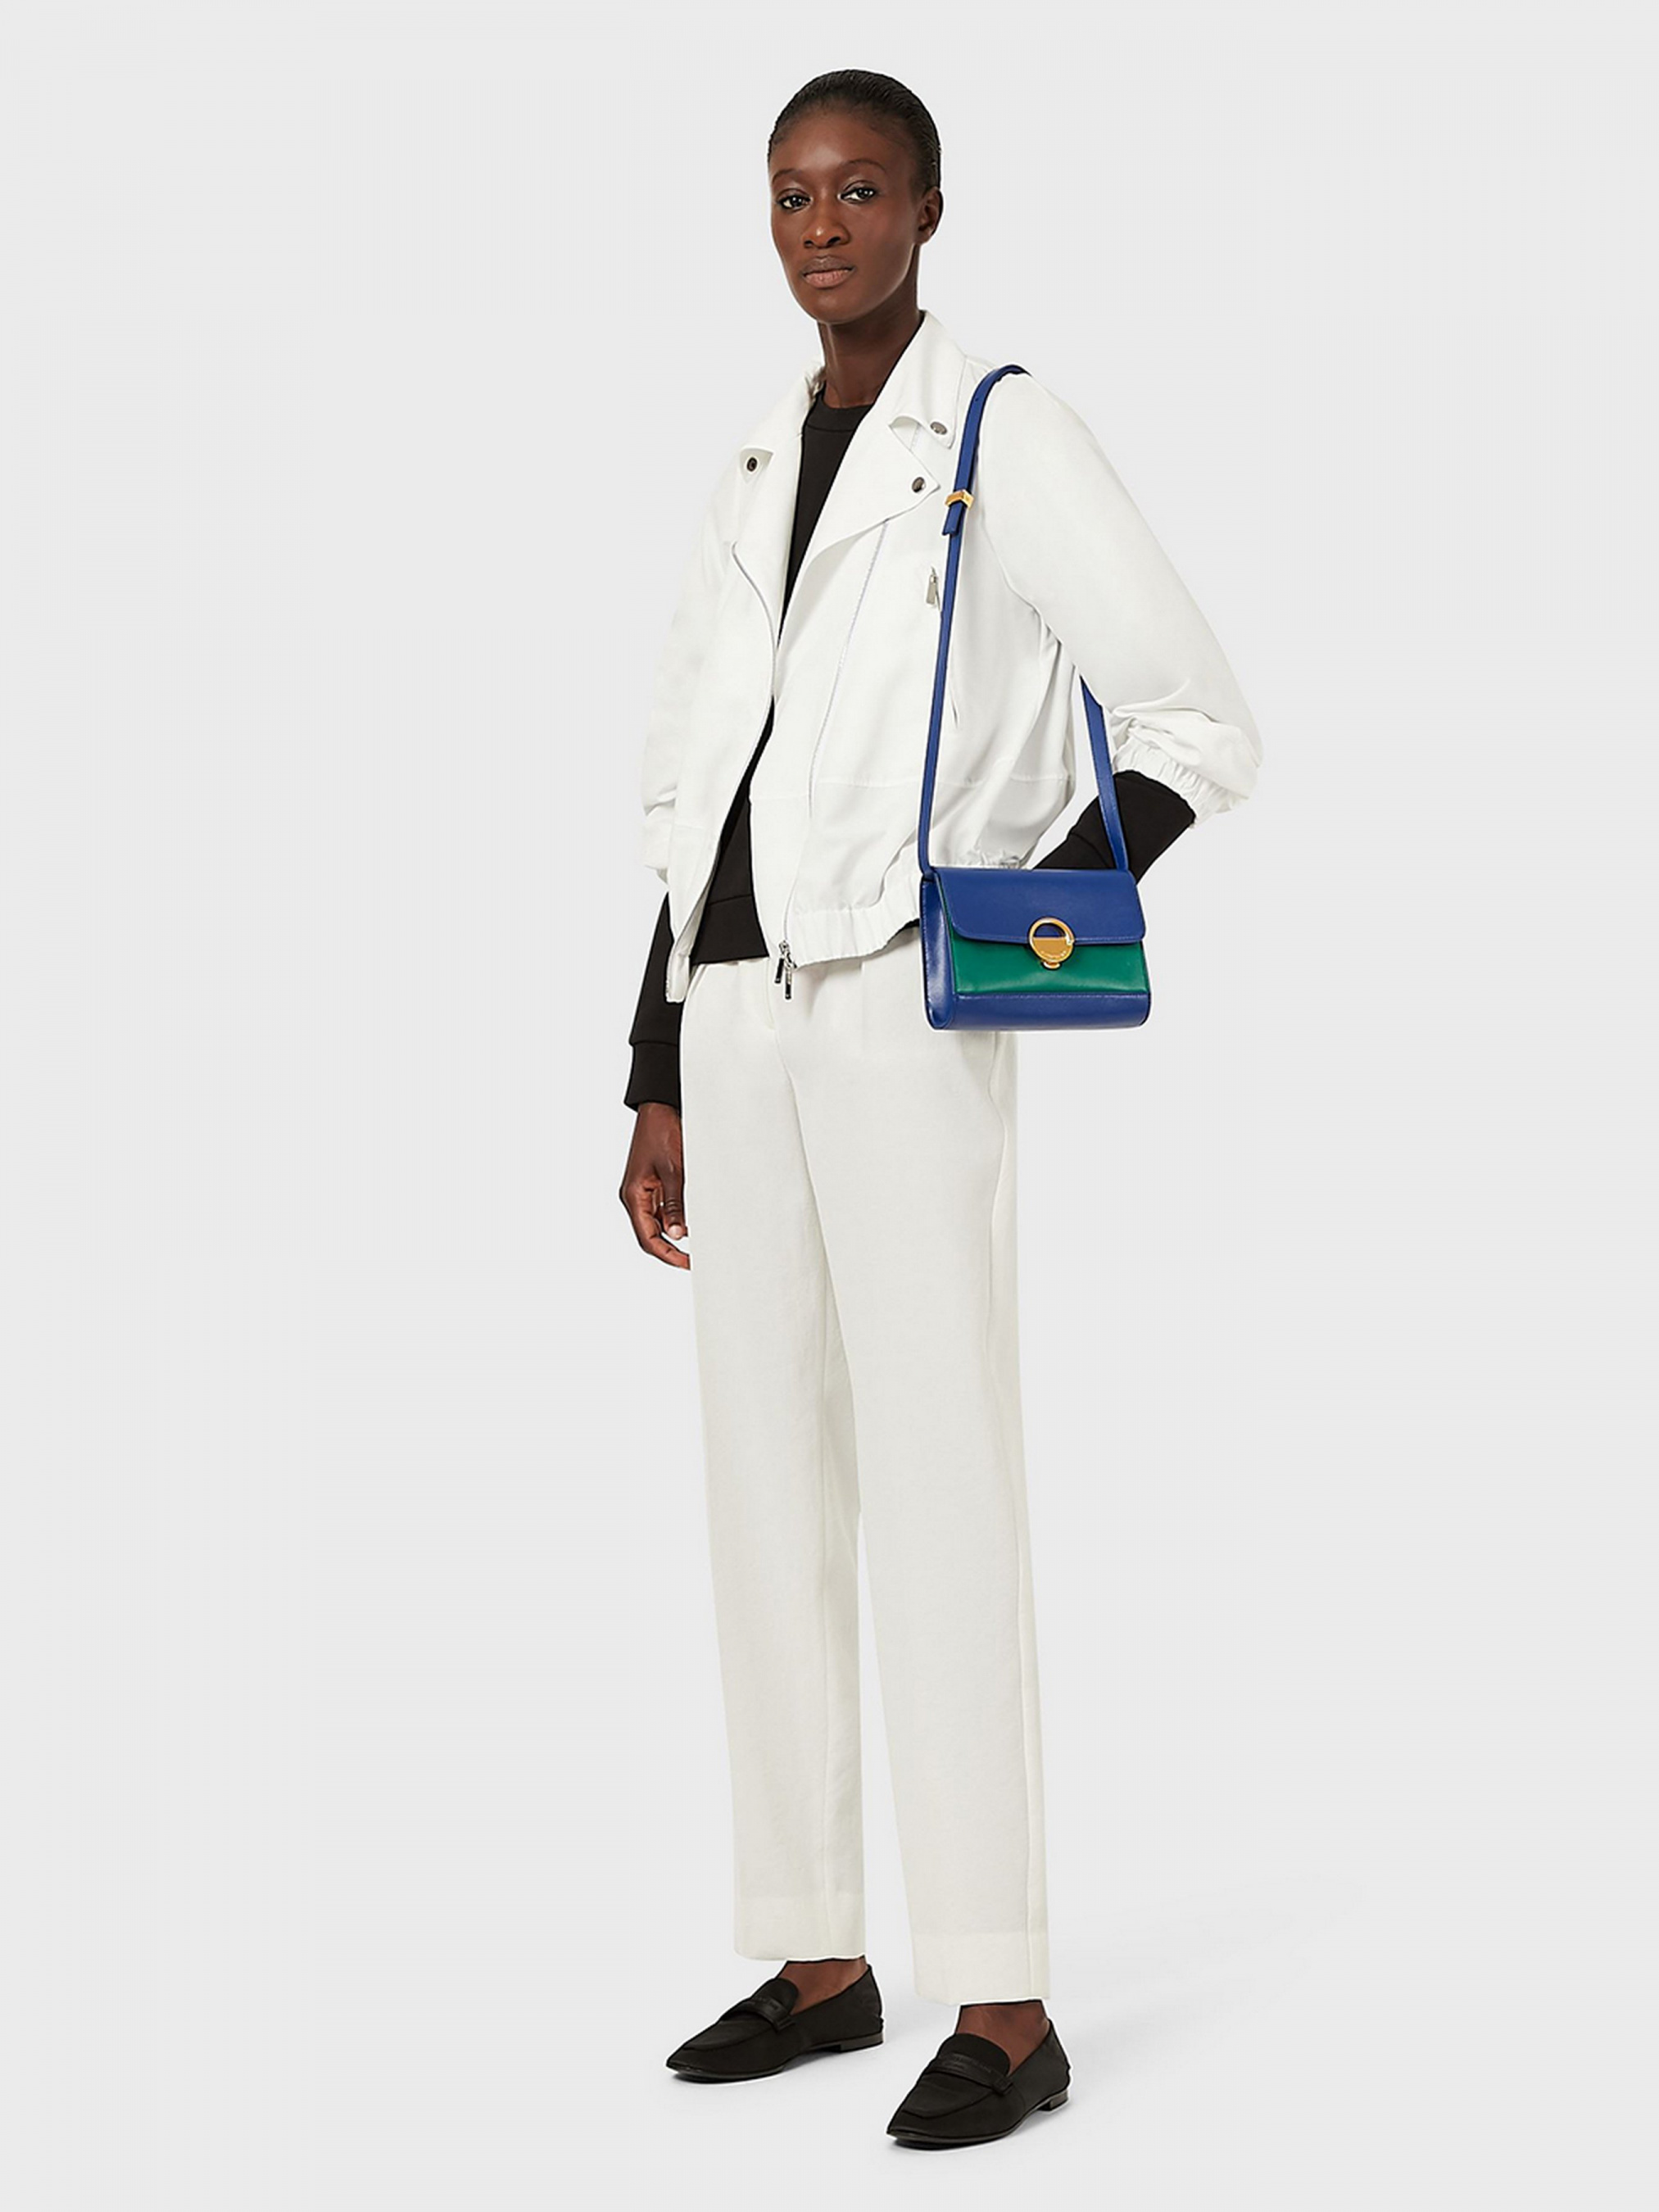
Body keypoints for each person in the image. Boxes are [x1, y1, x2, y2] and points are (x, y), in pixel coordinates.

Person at [618, 69, 1260, 2149]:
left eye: (858, 189)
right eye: (790, 195)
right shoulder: (750, 459)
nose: (820, 227)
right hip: (735, 1011)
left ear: (924, 209)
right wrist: (653, 1067)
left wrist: (1033, 916)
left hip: (902, 1001)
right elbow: (699, 786)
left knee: (939, 1482)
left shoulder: (996, 428)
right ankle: (817, 1957)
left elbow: (1194, 719)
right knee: (761, 1489)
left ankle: (1003, 1996)